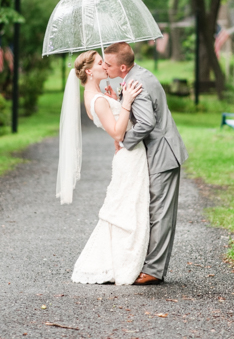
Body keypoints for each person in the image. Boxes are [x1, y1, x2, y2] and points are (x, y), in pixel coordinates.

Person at [60, 50, 150, 286]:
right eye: (101, 63)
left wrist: (118, 102)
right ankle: (120, 263)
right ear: (90, 71)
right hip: (130, 156)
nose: (106, 65)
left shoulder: (97, 96)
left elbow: (114, 129)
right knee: (128, 210)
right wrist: (127, 102)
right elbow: (118, 133)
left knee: (125, 208)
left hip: (127, 155)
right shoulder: (98, 100)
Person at [102, 42, 188, 285]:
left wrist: (123, 140)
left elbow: (146, 122)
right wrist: (118, 101)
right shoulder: (136, 75)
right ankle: (150, 264)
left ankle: (154, 270)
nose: (104, 67)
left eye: (107, 64)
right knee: (154, 208)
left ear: (121, 66)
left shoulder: (134, 82)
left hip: (163, 152)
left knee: (160, 211)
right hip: (157, 151)